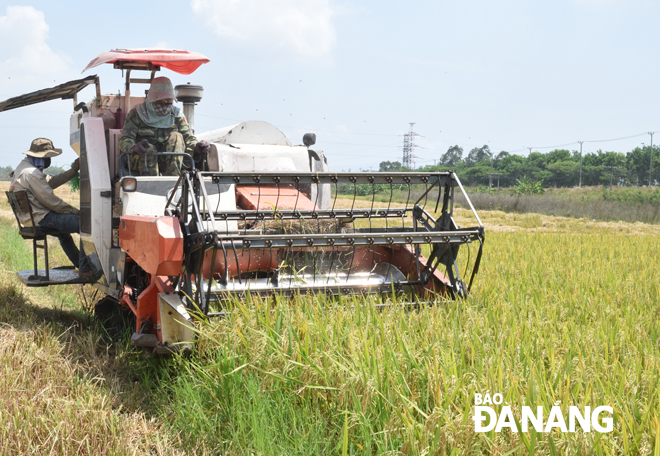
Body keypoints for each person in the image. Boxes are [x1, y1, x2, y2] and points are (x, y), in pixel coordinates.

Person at [9, 138, 90, 275]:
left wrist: (74, 170)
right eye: (46, 157)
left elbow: (50, 182)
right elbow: (50, 201)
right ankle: (85, 269)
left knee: (64, 235)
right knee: (86, 224)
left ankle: (81, 265)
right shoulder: (31, 173)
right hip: (40, 218)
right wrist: (75, 212)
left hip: (31, 218)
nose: (48, 160)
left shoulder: (26, 167)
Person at [118, 76, 210, 176]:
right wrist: (134, 147)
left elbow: (189, 139)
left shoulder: (177, 115)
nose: (164, 105)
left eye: (168, 101)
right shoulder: (136, 114)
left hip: (168, 161)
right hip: (141, 160)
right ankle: (151, 183)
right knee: (148, 148)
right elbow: (125, 140)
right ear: (151, 99)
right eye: (160, 101)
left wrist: (197, 147)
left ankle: (174, 182)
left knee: (177, 136)